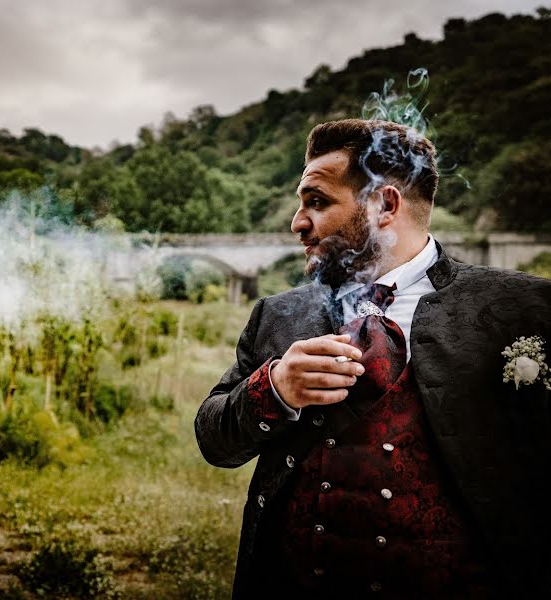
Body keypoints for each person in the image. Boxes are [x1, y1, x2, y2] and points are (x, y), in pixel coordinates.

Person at [195, 119, 551, 598]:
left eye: (317, 202)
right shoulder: (277, 316)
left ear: (385, 204)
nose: (298, 223)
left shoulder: (524, 310)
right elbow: (214, 440)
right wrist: (275, 389)